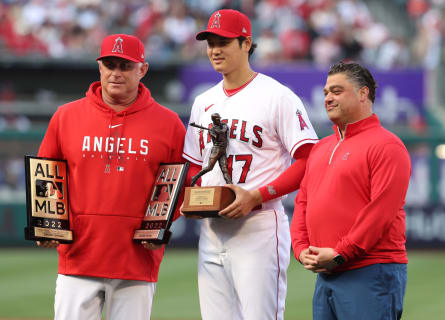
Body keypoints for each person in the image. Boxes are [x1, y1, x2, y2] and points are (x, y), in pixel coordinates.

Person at [35, 34, 186, 320]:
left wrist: (162, 225)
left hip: (137, 261)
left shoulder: (169, 124)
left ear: (143, 69)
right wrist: (47, 224)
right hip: (78, 257)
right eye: (109, 64)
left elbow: (182, 184)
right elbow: (46, 176)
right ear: (99, 67)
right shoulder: (65, 116)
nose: (116, 72)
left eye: (125, 66)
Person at [181, 9, 319, 320]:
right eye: (210, 42)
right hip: (213, 228)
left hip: (259, 225)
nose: (215, 50)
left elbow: (307, 159)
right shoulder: (203, 102)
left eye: (224, 42)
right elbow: (193, 165)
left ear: (246, 43)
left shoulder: (277, 96)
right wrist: (197, 197)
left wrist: (258, 195)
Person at [290, 61, 411, 320]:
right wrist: (301, 249)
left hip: (370, 270)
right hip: (327, 272)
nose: (328, 98)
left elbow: (380, 212)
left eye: (336, 91)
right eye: (325, 93)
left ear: (363, 93)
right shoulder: (321, 147)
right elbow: (303, 202)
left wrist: (341, 253)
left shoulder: (387, 145)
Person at [190, 113, 231, 186]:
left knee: (225, 170)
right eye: (217, 119)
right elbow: (217, 138)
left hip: (223, 151)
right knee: (209, 167)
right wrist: (216, 131)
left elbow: (225, 128)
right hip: (216, 150)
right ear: (214, 120)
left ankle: (231, 187)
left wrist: (219, 129)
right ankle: (195, 177)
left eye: (219, 119)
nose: (219, 120)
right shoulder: (212, 130)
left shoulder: (222, 125)